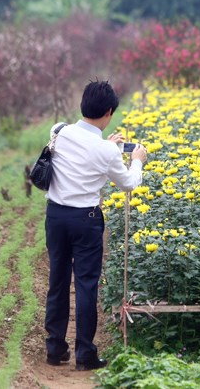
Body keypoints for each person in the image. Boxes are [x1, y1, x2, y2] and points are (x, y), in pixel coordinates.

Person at [44, 80, 147, 371]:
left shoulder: (58, 130)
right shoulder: (107, 151)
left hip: (56, 217)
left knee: (58, 280)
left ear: (83, 105)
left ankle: (55, 349)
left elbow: (81, 151)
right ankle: (85, 355)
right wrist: (136, 160)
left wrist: (107, 146)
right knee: (86, 286)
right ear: (109, 112)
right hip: (85, 220)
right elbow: (128, 183)